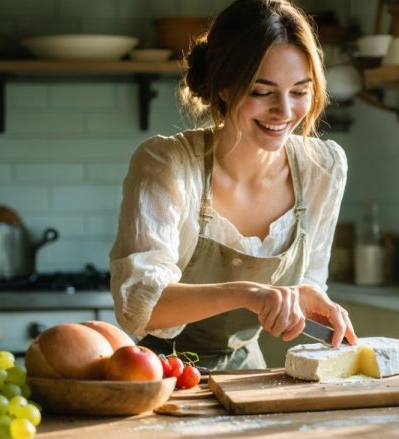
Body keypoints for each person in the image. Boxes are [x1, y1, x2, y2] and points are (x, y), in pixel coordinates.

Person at [109, 0, 358, 371]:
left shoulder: (322, 167)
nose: (285, 111)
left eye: (300, 91)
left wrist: (307, 298)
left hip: (249, 375)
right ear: (225, 87)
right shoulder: (168, 165)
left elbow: (309, 275)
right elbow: (139, 306)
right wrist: (247, 294)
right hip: (163, 376)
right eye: (262, 91)